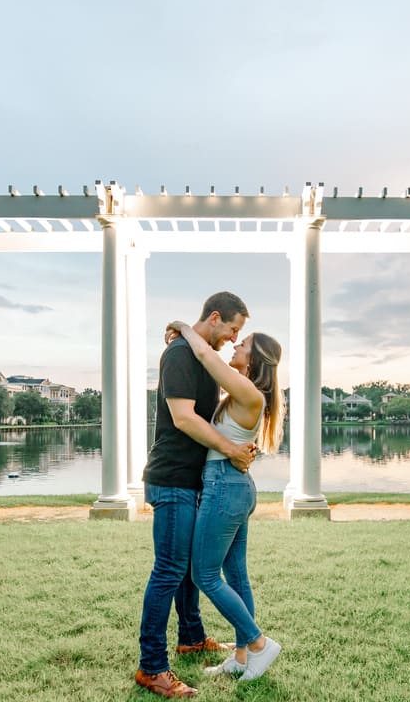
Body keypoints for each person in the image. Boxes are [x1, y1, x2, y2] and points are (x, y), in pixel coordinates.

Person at [135, 291, 258, 699]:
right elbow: (183, 417)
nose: (233, 338)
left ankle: (191, 636)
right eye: (233, 330)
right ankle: (152, 668)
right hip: (171, 478)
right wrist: (232, 449)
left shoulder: (206, 359)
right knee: (169, 569)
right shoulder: (180, 357)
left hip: (195, 480)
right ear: (217, 317)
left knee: (188, 569)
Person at [168, 319, 284, 683]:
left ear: (256, 358)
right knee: (235, 574)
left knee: (204, 574)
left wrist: (184, 328)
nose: (235, 346)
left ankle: (259, 644)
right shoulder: (240, 395)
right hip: (230, 485)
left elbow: (204, 354)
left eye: (243, 343)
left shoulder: (251, 393)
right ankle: (240, 656)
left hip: (225, 488)